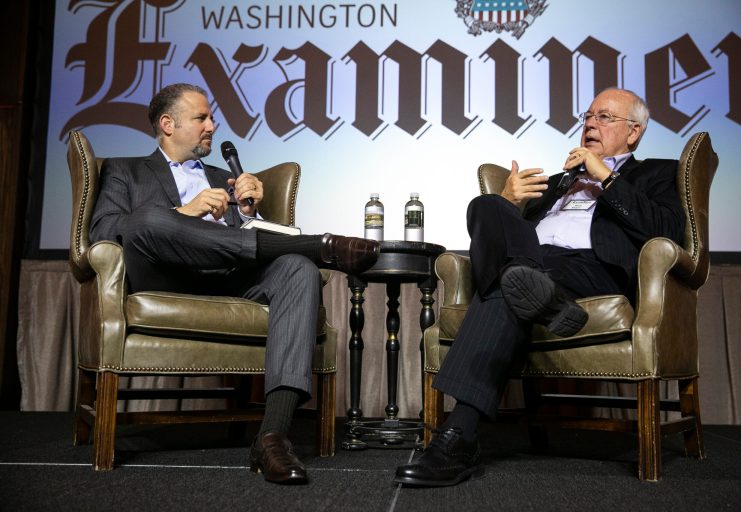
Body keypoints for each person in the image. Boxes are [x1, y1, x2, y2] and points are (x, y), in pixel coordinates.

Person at [89, 83, 380, 485]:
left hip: (228, 276)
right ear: (168, 124)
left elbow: (240, 246)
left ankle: (273, 437)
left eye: (211, 118)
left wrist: (249, 215)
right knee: (148, 219)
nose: (212, 125)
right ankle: (320, 246)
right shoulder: (125, 170)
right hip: (163, 278)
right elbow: (105, 231)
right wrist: (182, 213)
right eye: (201, 118)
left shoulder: (225, 179)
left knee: (298, 268)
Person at [393, 88, 685, 487]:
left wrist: (605, 175)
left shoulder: (657, 173)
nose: (590, 124)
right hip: (535, 263)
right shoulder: (556, 183)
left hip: (591, 268)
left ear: (634, 132)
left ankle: (458, 435)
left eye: (604, 117)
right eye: (587, 116)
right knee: (487, 208)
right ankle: (543, 297)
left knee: (509, 282)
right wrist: (509, 201)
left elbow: (666, 231)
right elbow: (503, 236)